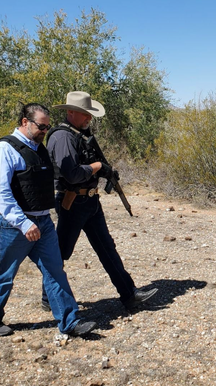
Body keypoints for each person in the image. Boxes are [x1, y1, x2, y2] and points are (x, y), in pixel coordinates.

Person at [0, 103, 96, 337]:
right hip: (15, 226)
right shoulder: (4, 149)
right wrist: (23, 223)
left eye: (47, 126)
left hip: (43, 223)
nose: (45, 131)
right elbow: (2, 194)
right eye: (41, 126)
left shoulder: (39, 149)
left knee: (55, 271)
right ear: (25, 122)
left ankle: (69, 321)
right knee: (4, 273)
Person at [41, 91, 158, 311]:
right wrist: (97, 167)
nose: (89, 118)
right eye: (85, 114)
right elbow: (72, 174)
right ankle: (49, 298)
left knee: (107, 248)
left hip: (91, 201)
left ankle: (128, 294)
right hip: (72, 202)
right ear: (70, 112)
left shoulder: (80, 134)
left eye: (90, 114)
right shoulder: (62, 137)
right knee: (61, 252)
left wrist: (105, 171)